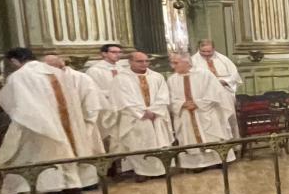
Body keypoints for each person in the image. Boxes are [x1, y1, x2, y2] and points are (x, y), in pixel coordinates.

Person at [0, 49, 100, 194]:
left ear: (15, 61)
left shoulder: (19, 76)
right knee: (62, 156)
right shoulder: (57, 73)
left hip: (33, 127)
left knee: (17, 158)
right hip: (64, 125)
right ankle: (70, 188)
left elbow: (12, 102)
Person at [165, 54, 236, 170]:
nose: (172, 66)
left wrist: (197, 103)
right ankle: (197, 164)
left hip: (206, 111)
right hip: (185, 113)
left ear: (186, 62)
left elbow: (215, 92)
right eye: (172, 63)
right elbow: (170, 98)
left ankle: (219, 159)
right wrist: (182, 104)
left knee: (212, 135)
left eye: (175, 63)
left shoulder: (204, 74)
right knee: (190, 138)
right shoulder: (172, 79)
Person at [112, 51, 173, 181]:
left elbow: (163, 95)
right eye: (139, 61)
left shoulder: (157, 77)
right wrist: (141, 112)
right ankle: (141, 171)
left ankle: (161, 169)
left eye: (146, 61)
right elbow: (122, 99)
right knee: (138, 144)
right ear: (130, 62)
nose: (144, 64)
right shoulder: (121, 78)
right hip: (135, 118)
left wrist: (154, 111)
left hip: (156, 116)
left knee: (159, 142)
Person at [84, 42, 130, 149]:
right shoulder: (94, 70)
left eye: (119, 52)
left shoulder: (123, 69)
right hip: (105, 106)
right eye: (114, 52)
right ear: (104, 54)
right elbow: (93, 91)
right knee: (108, 134)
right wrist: (112, 94)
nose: (117, 55)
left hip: (122, 106)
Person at [191, 39, 240, 135]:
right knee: (212, 120)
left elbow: (235, 75)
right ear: (198, 49)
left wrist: (224, 81)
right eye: (203, 51)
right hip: (206, 97)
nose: (206, 54)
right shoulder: (193, 61)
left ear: (213, 49)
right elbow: (192, 80)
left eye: (209, 51)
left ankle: (234, 144)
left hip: (224, 93)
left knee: (229, 118)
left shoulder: (223, 59)